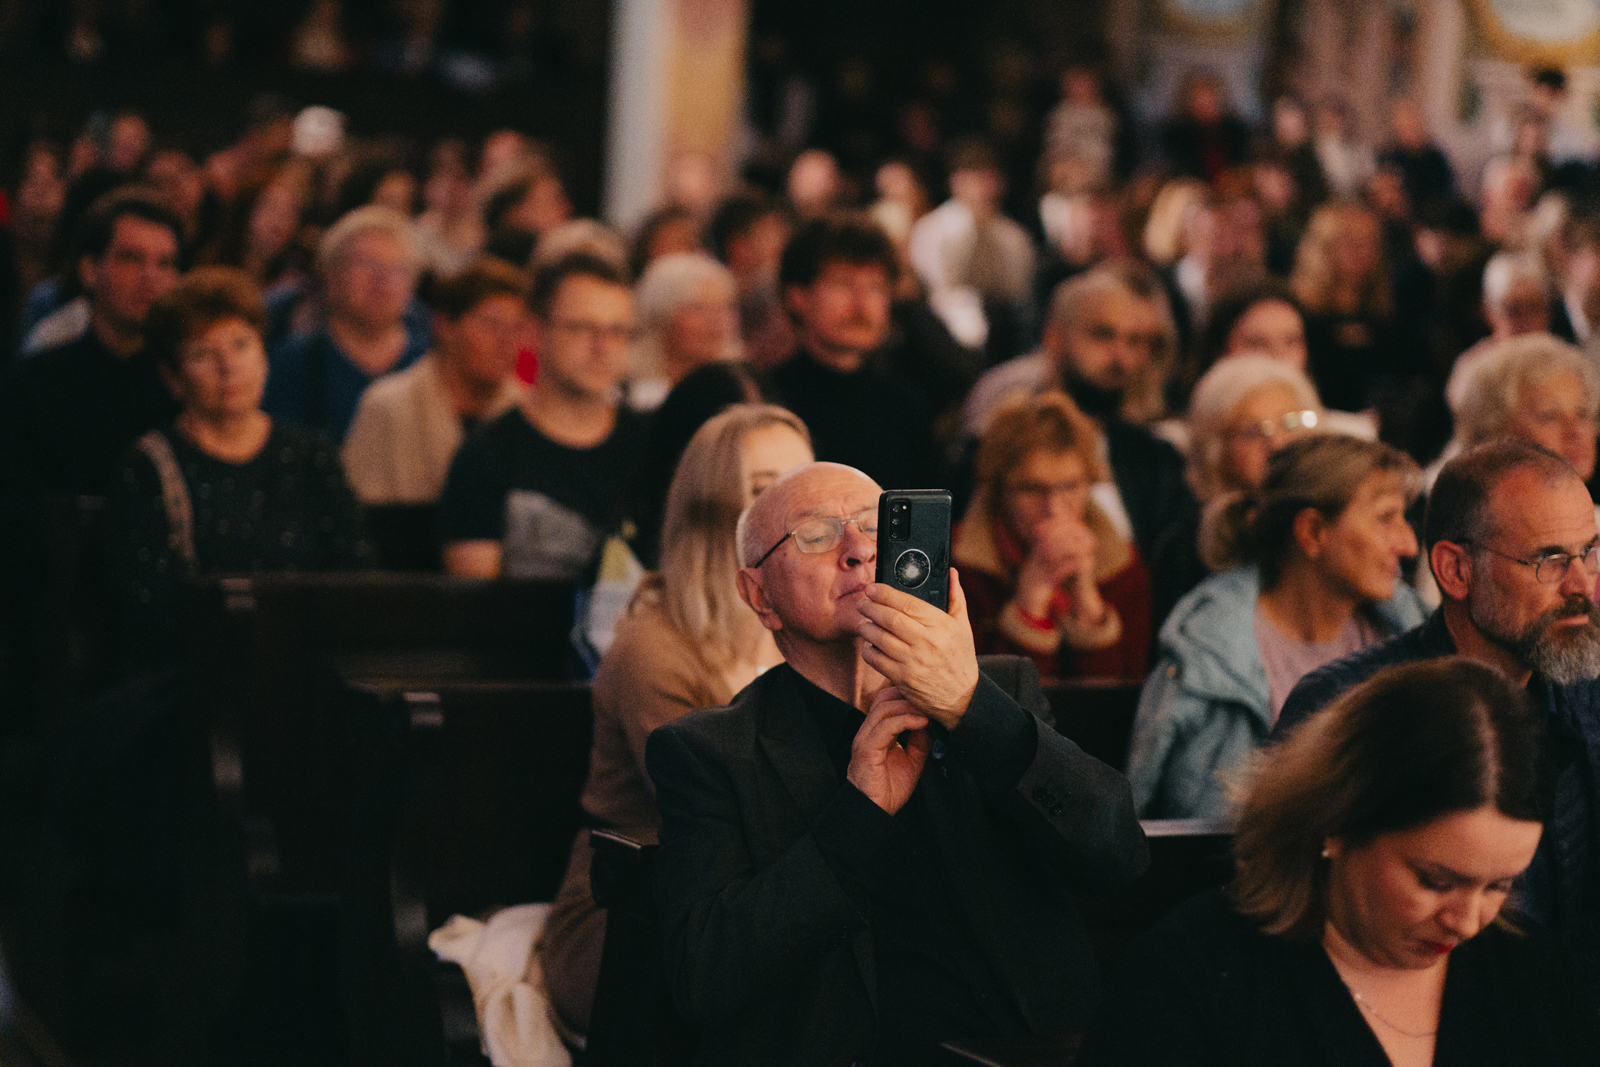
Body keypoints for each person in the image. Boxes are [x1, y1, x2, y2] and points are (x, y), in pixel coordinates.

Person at [646, 461, 1148, 1064]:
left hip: (1025, 1053)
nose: (858, 551)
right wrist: (858, 812)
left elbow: (1118, 855)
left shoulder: (1000, 692)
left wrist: (968, 707)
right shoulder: (711, 751)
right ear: (759, 596)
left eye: (878, 526)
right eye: (816, 535)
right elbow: (706, 978)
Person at [1080, 657, 1600, 1066]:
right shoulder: (1189, 980)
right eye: (1435, 881)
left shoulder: (1532, 983)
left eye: (1498, 887)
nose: (1466, 923)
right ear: (1339, 824)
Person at [1276, 440, 1600, 1000]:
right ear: (1455, 569)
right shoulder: (1351, 705)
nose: (1581, 587)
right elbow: (1297, 925)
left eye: (1590, 553)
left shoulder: (1586, 688)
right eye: (1548, 560)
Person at [536, 403, 813, 1039]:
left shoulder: (820, 628)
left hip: (757, 904)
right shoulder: (654, 647)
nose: (802, 515)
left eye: (805, 485)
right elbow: (725, 818)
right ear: (717, 510)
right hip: (638, 910)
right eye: (766, 490)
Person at [1129, 434, 1427, 822]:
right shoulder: (1205, 657)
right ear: (1313, 532)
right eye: (1386, 519)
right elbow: (1147, 825)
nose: (1409, 545)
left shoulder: (1414, 638)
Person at [105, 267, 372, 671]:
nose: (227, 366)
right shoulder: (149, 465)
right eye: (201, 354)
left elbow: (356, 574)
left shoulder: (312, 456)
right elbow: (149, 610)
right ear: (172, 378)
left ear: (265, 357)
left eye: (241, 345)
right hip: (197, 674)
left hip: (306, 667)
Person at [964, 263, 1194, 577]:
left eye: (1133, 341)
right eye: (1103, 335)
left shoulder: (1156, 460)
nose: (1121, 358)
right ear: (1054, 338)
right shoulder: (991, 450)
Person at [439, 252, 647, 580]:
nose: (602, 346)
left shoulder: (653, 447)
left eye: (618, 331)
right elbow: (475, 612)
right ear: (535, 334)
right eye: (583, 328)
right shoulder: (485, 456)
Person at [0, 186, 183, 499]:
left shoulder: (180, 391)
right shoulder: (35, 385)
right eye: (132, 259)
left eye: (165, 263)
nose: (151, 278)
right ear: (89, 270)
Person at [955, 392, 1151, 682]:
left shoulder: (1122, 567)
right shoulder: (957, 567)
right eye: (1032, 489)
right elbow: (977, 705)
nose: (1054, 508)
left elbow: (1123, 702)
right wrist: (1030, 602)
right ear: (998, 490)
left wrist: (1088, 605)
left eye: (1071, 486)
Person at [767, 213, 939, 490]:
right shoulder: (768, 404)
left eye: (875, 288)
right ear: (797, 296)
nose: (861, 305)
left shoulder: (906, 408)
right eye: (842, 284)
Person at [341, 257, 529, 505]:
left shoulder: (527, 410)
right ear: (445, 326)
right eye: (490, 324)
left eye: (516, 328)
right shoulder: (387, 406)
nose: (505, 342)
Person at [263, 205, 430, 443]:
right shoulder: (293, 362)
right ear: (331, 276)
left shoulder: (429, 360)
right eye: (366, 264)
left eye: (398, 269)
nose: (382, 280)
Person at [624, 252, 741, 411]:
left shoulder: (742, 385)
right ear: (662, 314)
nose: (715, 321)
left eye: (723, 308)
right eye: (698, 308)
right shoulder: (625, 383)